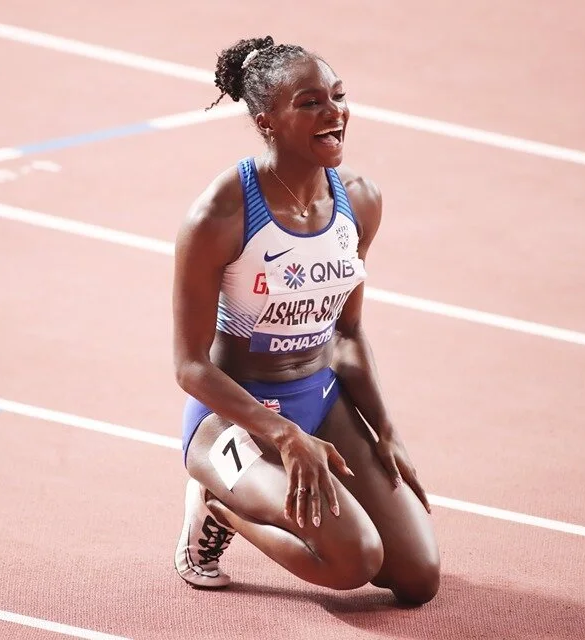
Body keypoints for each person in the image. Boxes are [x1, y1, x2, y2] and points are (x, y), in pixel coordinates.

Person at [171, 36, 440, 605]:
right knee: (353, 560)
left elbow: (347, 335)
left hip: (321, 401)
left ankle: (270, 483)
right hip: (234, 419)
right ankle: (217, 508)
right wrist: (284, 435)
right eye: (311, 102)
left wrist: (385, 429)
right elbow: (190, 367)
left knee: (417, 578)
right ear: (266, 121)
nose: (334, 112)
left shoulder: (359, 201)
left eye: (338, 96)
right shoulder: (220, 214)